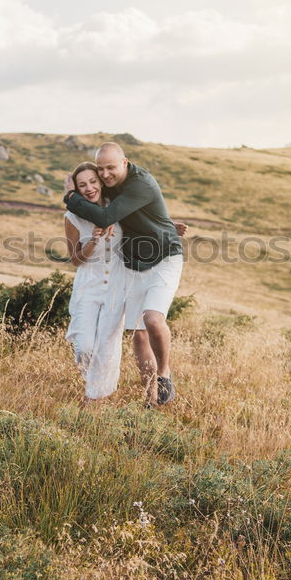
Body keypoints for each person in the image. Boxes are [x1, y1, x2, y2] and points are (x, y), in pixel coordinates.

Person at [62, 143, 186, 407]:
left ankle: (164, 375)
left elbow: (109, 215)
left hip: (163, 257)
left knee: (152, 320)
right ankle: (151, 401)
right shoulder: (109, 187)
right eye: (101, 169)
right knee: (138, 335)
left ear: (125, 162)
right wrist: (166, 222)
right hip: (133, 265)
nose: (105, 175)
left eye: (110, 168)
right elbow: (129, 214)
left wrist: (71, 197)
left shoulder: (139, 183)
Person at [63, 161, 128, 403]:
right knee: (85, 347)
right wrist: (91, 243)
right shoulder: (72, 217)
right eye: (82, 185)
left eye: (92, 182)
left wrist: (169, 227)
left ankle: (95, 399)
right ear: (77, 192)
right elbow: (75, 260)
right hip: (88, 287)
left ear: (100, 182)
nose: (89, 188)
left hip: (116, 287)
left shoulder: (118, 208)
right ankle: (95, 387)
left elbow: (145, 225)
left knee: (107, 348)